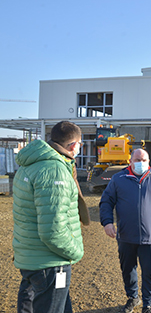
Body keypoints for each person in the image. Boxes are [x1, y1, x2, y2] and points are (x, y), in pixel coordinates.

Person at [12, 121, 90, 313]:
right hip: (50, 262)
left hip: (32, 256)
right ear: (73, 145)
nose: (79, 148)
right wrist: (76, 252)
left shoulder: (30, 164)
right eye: (80, 144)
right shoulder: (54, 170)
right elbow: (53, 231)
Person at [100, 148, 151, 313]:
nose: (140, 163)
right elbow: (106, 201)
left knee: (149, 272)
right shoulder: (118, 179)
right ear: (130, 161)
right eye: (137, 160)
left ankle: (148, 304)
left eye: (144, 160)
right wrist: (107, 222)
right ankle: (133, 297)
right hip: (125, 235)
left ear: (149, 162)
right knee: (127, 269)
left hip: (150, 237)